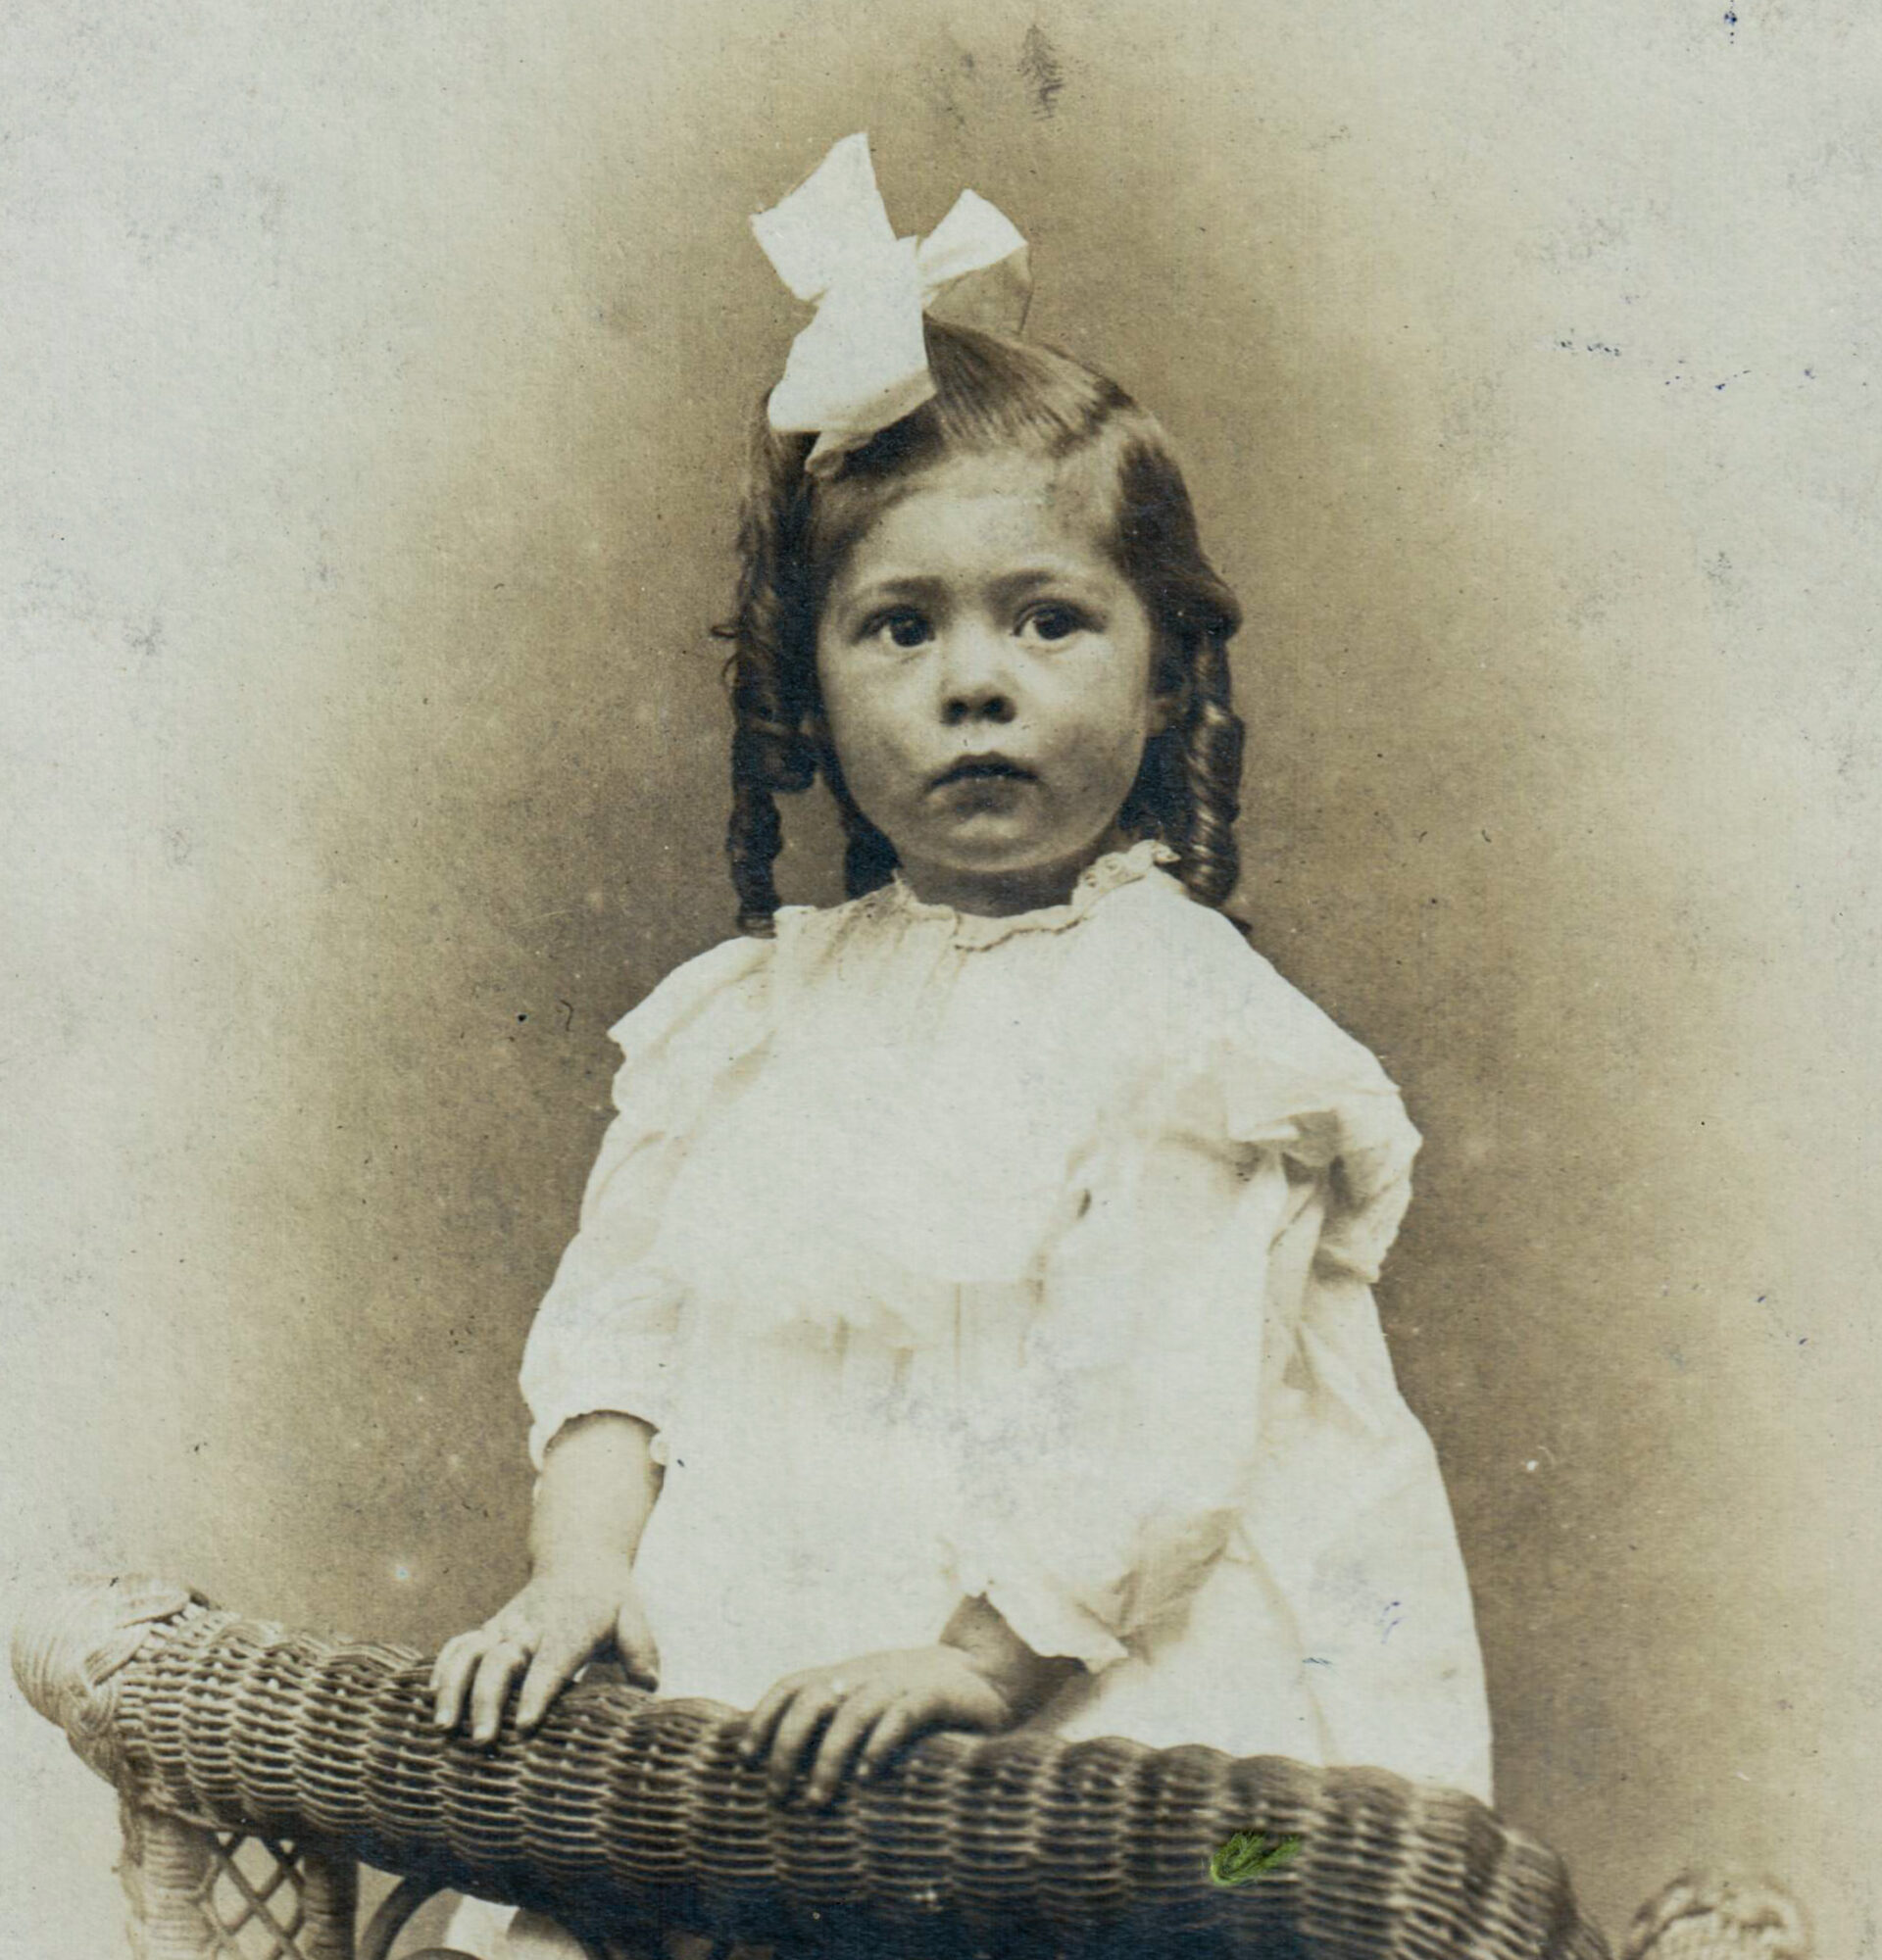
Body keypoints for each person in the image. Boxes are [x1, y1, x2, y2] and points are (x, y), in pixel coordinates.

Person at [429, 134, 1492, 1956]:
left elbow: (1157, 1422)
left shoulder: (1195, 1031)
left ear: (1161, 682)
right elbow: (622, 1334)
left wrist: (972, 1663)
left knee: (1161, 1893)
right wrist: (583, 1563)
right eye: (901, 627)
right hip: (783, 1673)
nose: (975, 683)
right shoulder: (746, 1022)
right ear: (810, 689)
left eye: (1049, 621)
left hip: (1109, 1693)